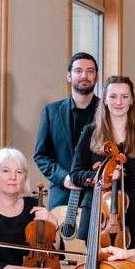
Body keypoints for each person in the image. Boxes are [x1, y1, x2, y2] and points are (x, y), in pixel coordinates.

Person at [69, 76, 135, 247]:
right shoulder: (91, 132)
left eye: (124, 96)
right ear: (104, 100)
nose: (118, 102)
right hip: (98, 214)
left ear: (131, 100)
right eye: (113, 96)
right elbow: (75, 174)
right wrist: (104, 176)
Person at [34, 52, 101, 210]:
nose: (84, 76)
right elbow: (41, 156)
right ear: (69, 76)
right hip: (62, 196)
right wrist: (64, 177)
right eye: (78, 71)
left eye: (90, 71)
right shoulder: (51, 111)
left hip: (97, 196)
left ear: (97, 77)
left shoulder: (107, 112)